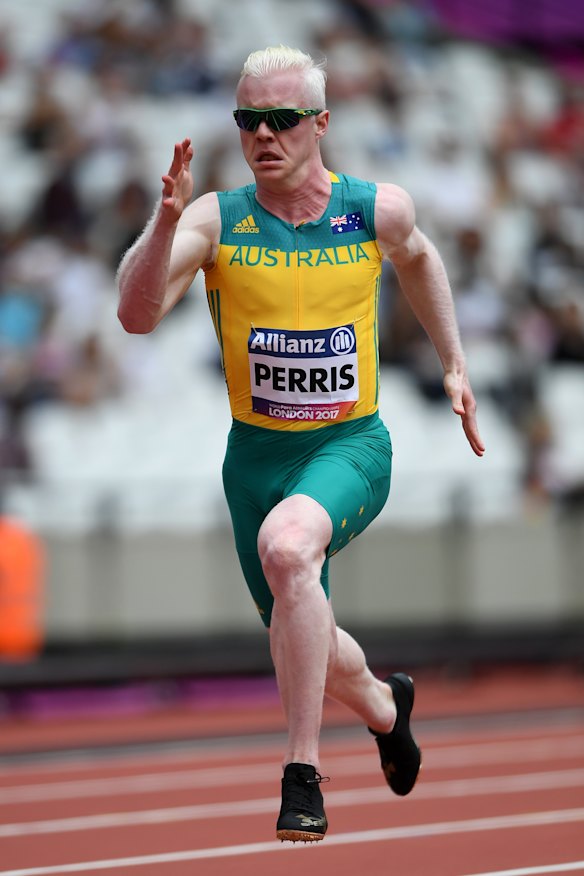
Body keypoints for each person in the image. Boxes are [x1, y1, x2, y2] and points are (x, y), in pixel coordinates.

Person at [117, 45, 485, 843]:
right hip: (254, 460)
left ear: (320, 124)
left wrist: (454, 364)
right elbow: (135, 316)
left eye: (281, 119)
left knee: (289, 552)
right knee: (301, 630)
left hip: (350, 446)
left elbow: (420, 258)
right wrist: (167, 220)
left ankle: (302, 772)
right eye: (248, 119)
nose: (263, 134)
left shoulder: (375, 209)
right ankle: (385, 706)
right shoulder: (217, 219)